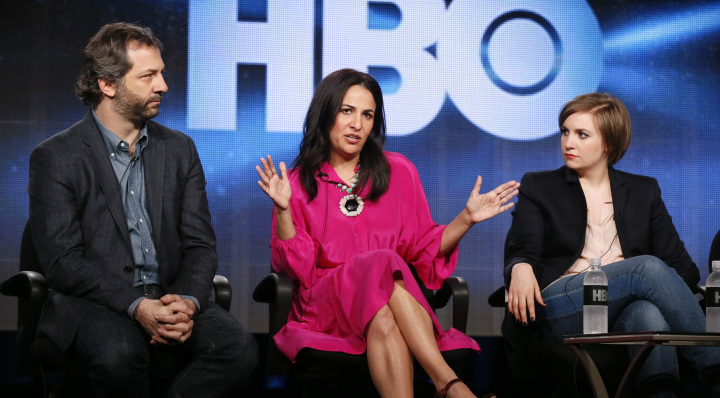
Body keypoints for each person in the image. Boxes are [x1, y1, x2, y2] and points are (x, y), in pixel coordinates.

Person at [255, 68, 519, 398]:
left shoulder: (399, 172)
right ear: (325, 114)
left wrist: (465, 219)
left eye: (368, 115)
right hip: (326, 306)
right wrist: (283, 209)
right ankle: (449, 384)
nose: (357, 124)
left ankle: (445, 386)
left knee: (382, 312)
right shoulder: (295, 182)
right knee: (383, 262)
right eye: (347, 111)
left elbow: (424, 248)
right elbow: (295, 269)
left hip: (388, 302)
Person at [28, 22, 257, 397]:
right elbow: (63, 261)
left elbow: (200, 245)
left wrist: (185, 302)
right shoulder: (55, 157)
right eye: (149, 76)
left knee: (238, 349)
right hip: (97, 303)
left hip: (169, 296)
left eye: (162, 73)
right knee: (119, 356)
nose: (163, 86)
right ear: (107, 84)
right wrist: (137, 306)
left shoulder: (180, 150)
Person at [503, 92, 720, 397]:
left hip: (619, 310)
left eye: (581, 134)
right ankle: (715, 369)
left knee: (647, 313)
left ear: (608, 142)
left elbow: (683, 268)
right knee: (645, 267)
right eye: (565, 132)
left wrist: (639, 289)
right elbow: (523, 245)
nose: (568, 143)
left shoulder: (643, 191)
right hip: (559, 303)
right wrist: (521, 266)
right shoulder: (540, 186)